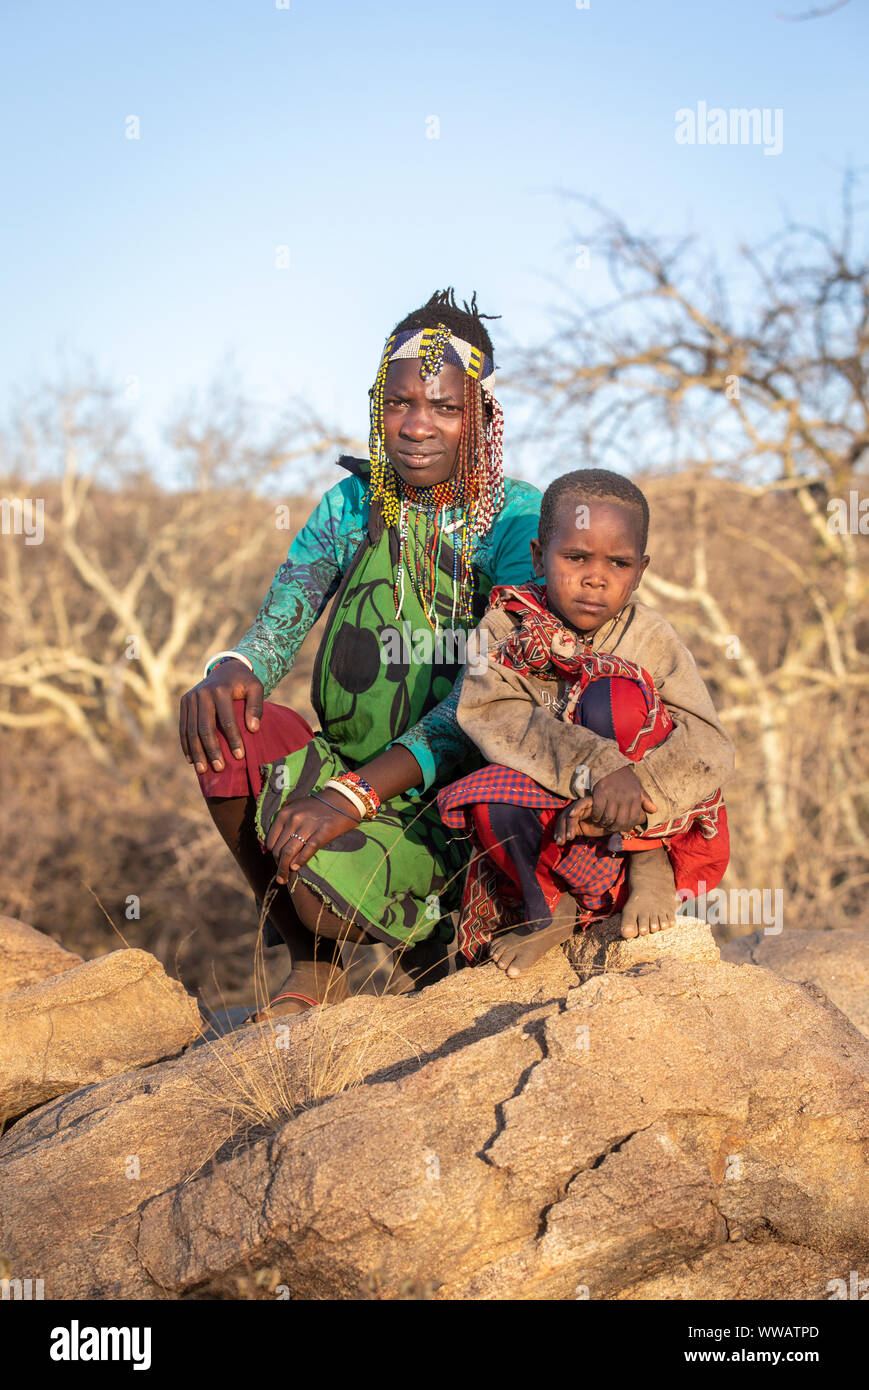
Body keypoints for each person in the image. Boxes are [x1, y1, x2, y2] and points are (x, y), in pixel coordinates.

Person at [179, 289, 542, 1016]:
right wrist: (231, 668)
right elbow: (282, 618)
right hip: (345, 768)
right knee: (225, 725)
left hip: (454, 799)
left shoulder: (520, 521)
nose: (415, 426)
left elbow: (490, 697)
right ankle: (313, 963)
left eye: (444, 407)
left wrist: (356, 795)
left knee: (321, 888)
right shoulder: (352, 504)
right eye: (399, 403)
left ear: (483, 417)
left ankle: (434, 939)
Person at [437, 467, 734, 977]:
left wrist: (632, 792)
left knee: (611, 692)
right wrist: (599, 767)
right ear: (538, 557)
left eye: (617, 563)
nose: (595, 578)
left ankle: (645, 860)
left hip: (654, 823)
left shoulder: (651, 636)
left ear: (639, 572)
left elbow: (709, 744)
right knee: (485, 797)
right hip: (556, 825)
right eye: (575, 558)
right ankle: (549, 912)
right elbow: (491, 714)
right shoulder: (507, 626)